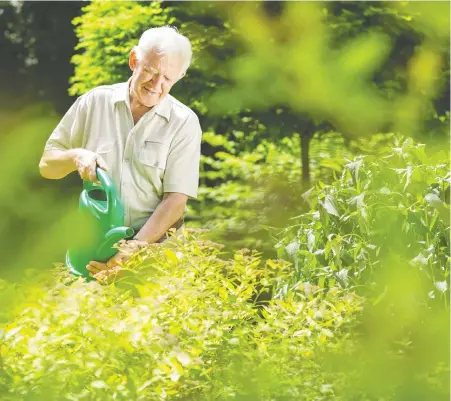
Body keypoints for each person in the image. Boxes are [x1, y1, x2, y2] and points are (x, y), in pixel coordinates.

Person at [39, 26, 202, 282]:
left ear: (180, 77)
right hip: (91, 251)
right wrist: (76, 156)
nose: (156, 85)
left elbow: (175, 201)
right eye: (150, 71)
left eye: (167, 79)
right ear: (134, 60)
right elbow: (47, 165)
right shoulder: (94, 102)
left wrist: (131, 250)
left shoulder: (183, 123)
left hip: (154, 258)